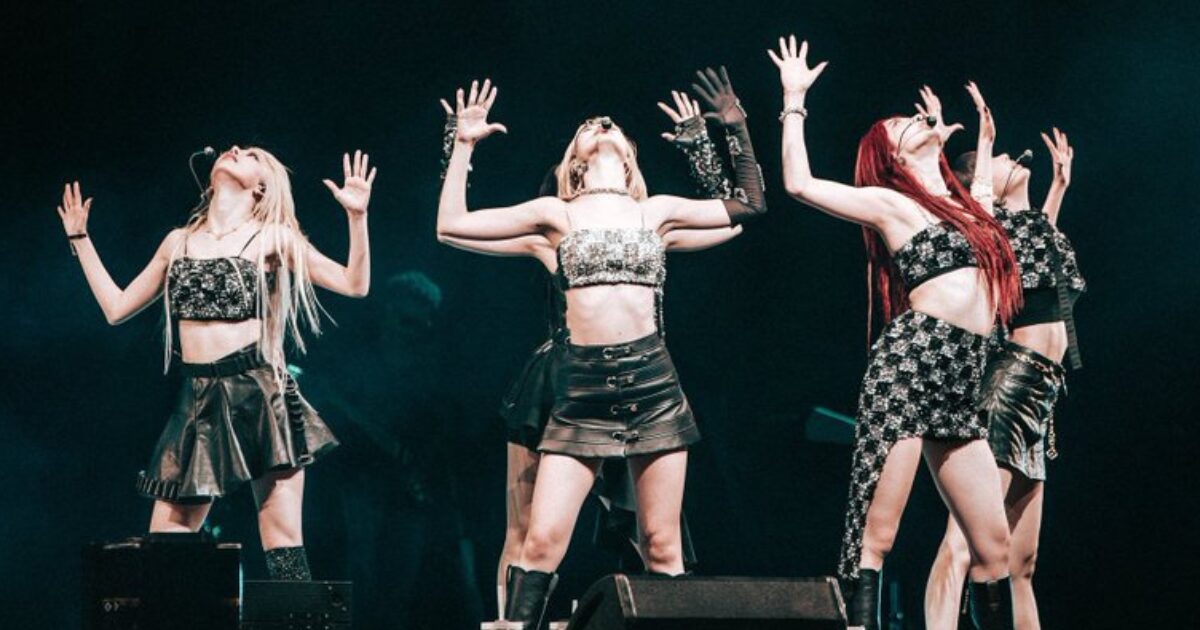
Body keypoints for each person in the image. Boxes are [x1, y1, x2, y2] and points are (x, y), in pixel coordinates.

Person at [436, 77, 765, 628]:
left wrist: (733, 128)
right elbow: (451, 226)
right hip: (582, 388)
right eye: (587, 126)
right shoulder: (556, 213)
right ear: (574, 163)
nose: (601, 123)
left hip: (653, 384)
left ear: (631, 157)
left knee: (661, 544)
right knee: (541, 541)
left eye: (610, 127)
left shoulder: (656, 212)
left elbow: (748, 207)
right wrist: (463, 145)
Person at [770, 35, 1020, 629]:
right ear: (891, 155)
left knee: (994, 550)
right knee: (876, 534)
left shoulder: (965, 209)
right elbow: (800, 185)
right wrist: (794, 100)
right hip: (912, 364)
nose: (912, 119)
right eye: (899, 124)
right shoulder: (891, 204)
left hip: (963, 375)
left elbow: (990, 220)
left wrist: (981, 145)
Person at [56, 146, 375, 579]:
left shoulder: (272, 237)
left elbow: (354, 284)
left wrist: (357, 217)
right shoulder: (179, 242)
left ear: (261, 187)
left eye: (250, 154)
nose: (235, 149)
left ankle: (297, 614)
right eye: (234, 149)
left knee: (281, 537)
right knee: (165, 544)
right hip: (198, 400)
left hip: (257, 394)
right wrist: (80, 239)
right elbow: (116, 308)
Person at [924, 89, 1084, 630]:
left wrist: (1057, 189)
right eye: (999, 157)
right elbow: (979, 218)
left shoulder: (1029, 227)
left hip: (1042, 394)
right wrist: (979, 139)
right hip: (1010, 386)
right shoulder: (986, 228)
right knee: (963, 541)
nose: (1012, 157)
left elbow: (1040, 262)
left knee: (1022, 562)